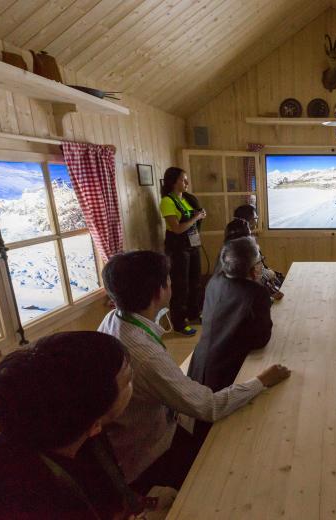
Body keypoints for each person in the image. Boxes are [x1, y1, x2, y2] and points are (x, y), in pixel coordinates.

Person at [98, 251, 290, 492]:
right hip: (150, 455)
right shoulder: (146, 355)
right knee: (241, 457)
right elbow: (209, 407)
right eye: (168, 278)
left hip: (134, 437)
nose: (171, 282)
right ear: (159, 291)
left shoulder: (113, 319)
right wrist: (260, 381)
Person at [0, 332, 135, 520]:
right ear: (94, 424)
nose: (133, 381)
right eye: (128, 381)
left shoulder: (51, 430)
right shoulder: (19, 495)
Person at [187, 237, 274, 438]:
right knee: (218, 432)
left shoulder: (215, 280)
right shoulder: (257, 292)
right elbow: (262, 339)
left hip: (200, 361)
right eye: (259, 260)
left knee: (200, 421)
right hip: (228, 369)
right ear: (254, 269)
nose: (261, 264)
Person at [160, 166, 206, 336]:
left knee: (195, 281)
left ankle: (194, 314)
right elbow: (177, 228)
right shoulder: (167, 201)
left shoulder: (186, 198)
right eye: (183, 179)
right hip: (178, 248)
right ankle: (179, 323)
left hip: (192, 246)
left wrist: (199, 214)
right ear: (173, 182)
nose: (186, 182)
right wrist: (196, 217)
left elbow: (192, 219)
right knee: (181, 286)